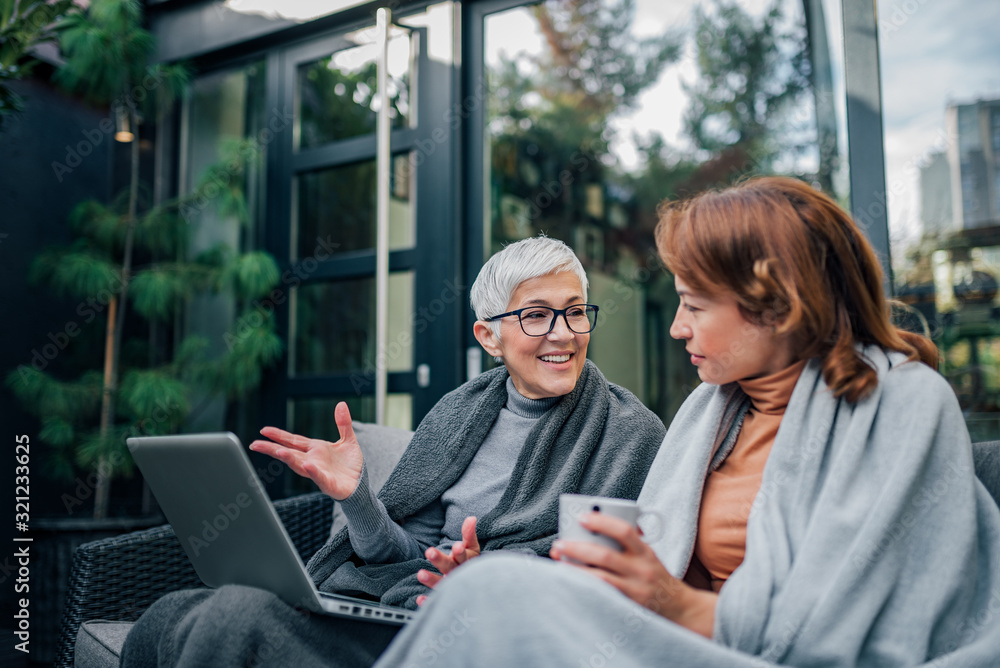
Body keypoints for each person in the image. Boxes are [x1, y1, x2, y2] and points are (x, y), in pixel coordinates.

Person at [373, 176, 1000, 667]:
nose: (677, 327)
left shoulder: (905, 406)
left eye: (694, 304)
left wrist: (662, 600)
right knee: (480, 602)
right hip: (670, 645)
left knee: (495, 594)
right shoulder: (712, 411)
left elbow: (848, 637)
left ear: (777, 306)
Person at [120, 235, 666, 667]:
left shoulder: (628, 432)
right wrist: (357, 496)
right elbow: (409, 553)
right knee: (168, 614)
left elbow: (606, 582)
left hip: (491, 635)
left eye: (575, 311)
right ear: (488, 336)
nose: (564, 333)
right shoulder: (458, 413)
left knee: (236, 618)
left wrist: (487, 575)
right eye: (536, 315)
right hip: (412, 611)